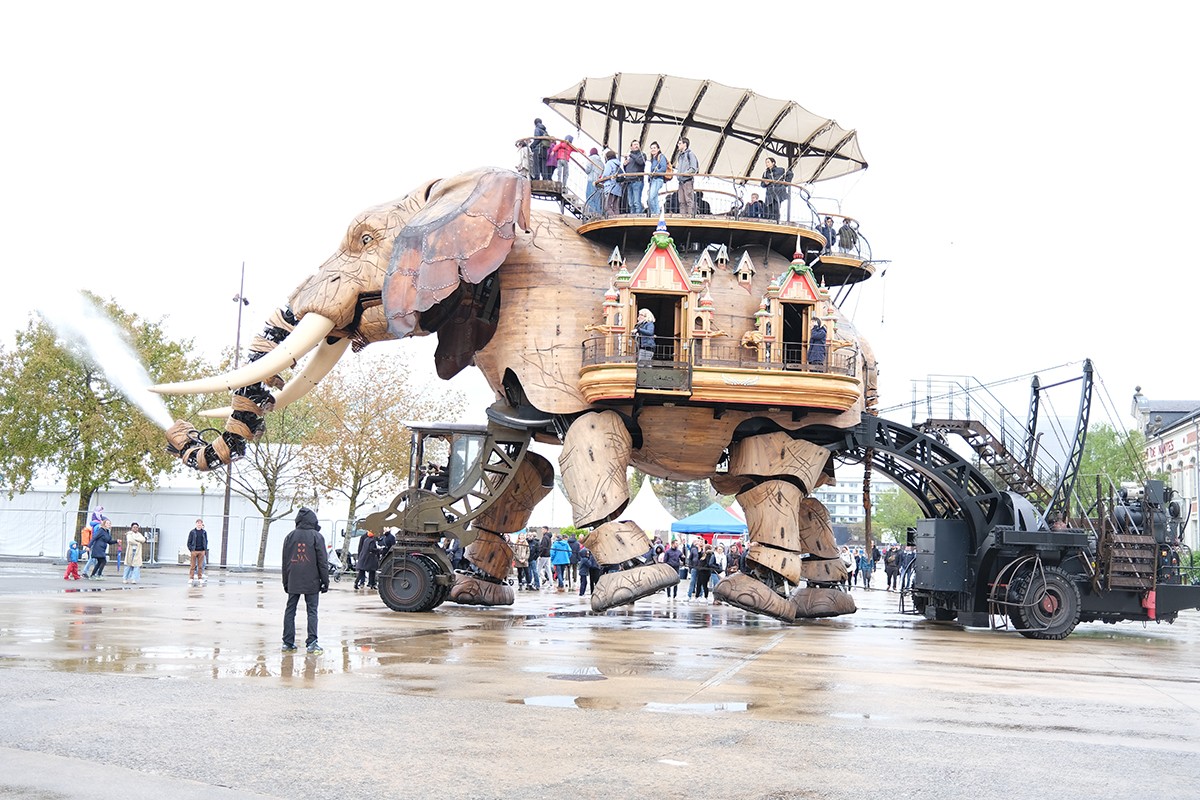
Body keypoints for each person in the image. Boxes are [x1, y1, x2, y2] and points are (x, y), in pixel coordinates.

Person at [281, 507, 330, 655]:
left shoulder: (290, 536)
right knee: (312, 611)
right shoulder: (317, 537)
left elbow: (285, 561)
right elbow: (322, 561)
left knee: (290, 610)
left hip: (293, 578)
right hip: (312, 579)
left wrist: (286, 581)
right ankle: (312, 643)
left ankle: (288, 642)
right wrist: (325, 581)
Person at [674, 138, 698, 215]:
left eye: (680, 143)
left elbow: (693, 168)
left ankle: (690, 216)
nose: (678, 145)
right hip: (681, 181)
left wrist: (684, 174)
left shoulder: (690, 154)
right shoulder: (680, 156)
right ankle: (683, 216)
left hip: (687, 180)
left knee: (688, 200)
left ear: (685, 144)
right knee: (681, 201)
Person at [623, 140, 646, 215]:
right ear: (631, 147)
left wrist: (631, 155)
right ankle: (632, 216)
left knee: (636, 202)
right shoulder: (629, 157)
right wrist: (624, 165)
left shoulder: (642, 155)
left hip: (637, 181)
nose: (636, 146)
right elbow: (627, 170)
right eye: (634, 144)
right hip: (629, 181)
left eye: (637, 144)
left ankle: (638, 216)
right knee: (631, 203)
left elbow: (640, 162)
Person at [645, 141, 668, 216]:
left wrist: (655, 172)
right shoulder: (653, 159)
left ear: (658, 149)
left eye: (654, 148)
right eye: (651, 148)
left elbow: (664, 168)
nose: (653, 149)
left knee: (650, 198)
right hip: (654, 180)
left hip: (658, 179)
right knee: (654, 198)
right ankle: (656, 213)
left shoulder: (661, 156)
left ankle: (655, 214)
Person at [600, 149, 624, 217]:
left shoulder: (609, 163)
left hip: (610, 187)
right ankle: (618, 220)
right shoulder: (618, 164)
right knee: (615, 207)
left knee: (607, 206)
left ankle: (614, 219)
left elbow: (606, 174)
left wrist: (601, 180)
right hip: (618, 188)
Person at [187, 519, 208, 586]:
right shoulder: (192, 532)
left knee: (200, 566)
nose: (199, 524)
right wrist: (191, 549)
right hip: (194, 550)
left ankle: (200, 578)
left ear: (202, 525)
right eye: (198, 523)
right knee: (193, 565)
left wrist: (204, 549)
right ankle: (191, 578)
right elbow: (189, 541)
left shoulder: (204, 532)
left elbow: (206, 541)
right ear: (196, 524)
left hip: (201, 551)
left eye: (200, 523)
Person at [585, 147, 605, 216]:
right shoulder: (601, 162)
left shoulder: (591, 159)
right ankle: (599, 213)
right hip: (599, 181)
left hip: (592, 180)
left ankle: (592, 212)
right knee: (597, 198)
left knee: (590, 196)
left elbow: (587, 169)